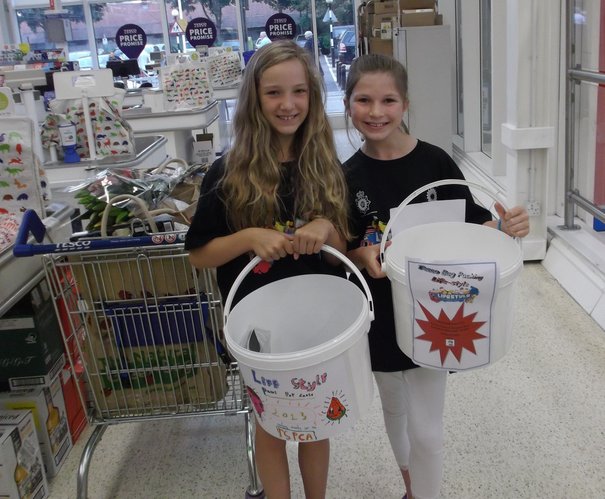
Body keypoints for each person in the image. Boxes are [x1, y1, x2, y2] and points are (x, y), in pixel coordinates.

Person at [342, 53, 530, 499]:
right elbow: (343, 247)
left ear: (405, 104)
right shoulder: (345, 177)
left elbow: (476, 224)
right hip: (380, 314)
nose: (375, 112)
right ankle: (410, 484)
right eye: (363, 100)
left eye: (388, 100)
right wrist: (360, 252)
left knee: (427, 425)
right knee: (394, 406)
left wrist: (506, 227)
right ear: (348, 103)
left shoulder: (435, 164)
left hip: (434, 313)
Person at [185, 40, 350, 499]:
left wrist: (324, 226)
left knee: (317, 418)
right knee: (271, 421)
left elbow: (344, 243)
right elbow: (198, 252)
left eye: (299, 91)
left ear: (313, 96)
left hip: (321, 315)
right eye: (274, 93)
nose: (288, 104)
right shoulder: (228, 172)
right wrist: (248, 238)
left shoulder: (324, 165)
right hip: (257, 322)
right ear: (254, 99)